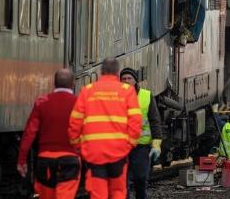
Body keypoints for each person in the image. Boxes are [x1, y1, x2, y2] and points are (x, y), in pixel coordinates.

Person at [69, 58, 142, 199]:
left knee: (98, 192)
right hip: (119, 151)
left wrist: (78, 146)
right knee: (118, 191)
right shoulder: (127, 91)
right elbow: (135, 121)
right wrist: (130, 144)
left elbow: (75, 122)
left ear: (101, 71)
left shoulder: (87, 90)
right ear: (116, 72)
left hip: (94, 152)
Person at [17, 69, 80, 199]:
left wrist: (22, 160)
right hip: (70, 158)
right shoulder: (79, 103)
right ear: (73, 84)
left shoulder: (42, 102)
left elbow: (30, 132)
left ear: (54, 83)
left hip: (45, 159)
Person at [120, 68, 163, 199]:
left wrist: (156, 144)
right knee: (123, 181)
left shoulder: (146, 96)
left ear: (135, 81)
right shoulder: (116, 97)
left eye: (129, 78)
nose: (127, 81)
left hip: (142, 146)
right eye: (124, 79)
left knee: (141, 177)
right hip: (122, 147)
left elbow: (155, 120)